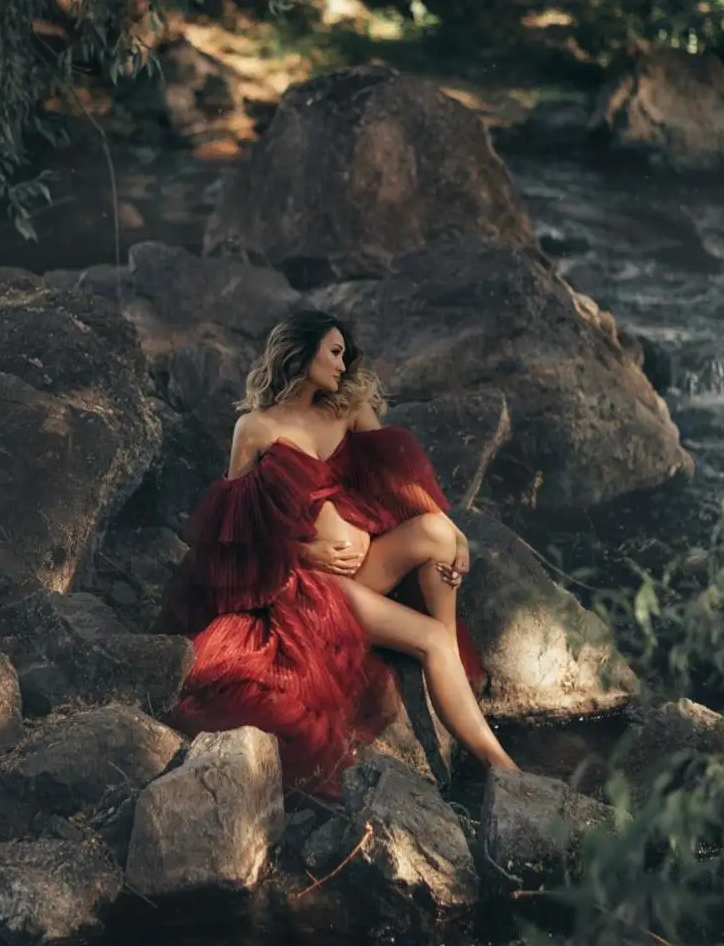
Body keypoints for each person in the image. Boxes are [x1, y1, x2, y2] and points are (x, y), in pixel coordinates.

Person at [154, 311, 518, 792]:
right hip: (307, 584)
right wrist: (305, 554)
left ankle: (448, 659)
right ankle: (504, 768)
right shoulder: (255, 428)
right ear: (301, 353)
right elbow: (234, 529)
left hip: (361, 569)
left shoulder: (347, 408)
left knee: (437, 532)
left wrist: (459, 538)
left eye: (345, 353)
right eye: (334, 351)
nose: (343, 364)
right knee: (428, 637)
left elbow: (401, 480)